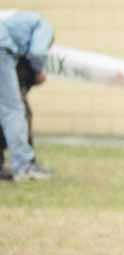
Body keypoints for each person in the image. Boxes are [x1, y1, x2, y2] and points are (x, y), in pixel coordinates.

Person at [0, 10, 53, 182]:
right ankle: (24, 166)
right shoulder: (43, 25)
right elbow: (38, 52)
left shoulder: (12, 19)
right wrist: (38, 71)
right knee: (13, 110)